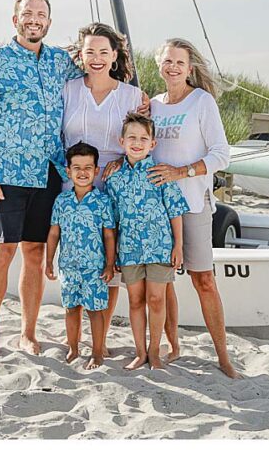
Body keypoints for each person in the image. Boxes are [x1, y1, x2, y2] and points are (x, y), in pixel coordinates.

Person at [0, 0, 82, 358]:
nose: (34, 20)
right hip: (5, 174)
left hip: (48, 171)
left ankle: (28, 333)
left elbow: (100, 66)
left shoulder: (58, 62)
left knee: (34, 253)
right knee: (1, 252)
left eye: (41, 15)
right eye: (27, 14)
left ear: (48, 22)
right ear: (15, 19)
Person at [147, 38, 238, 378]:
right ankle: (173, 347)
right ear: (160, 63)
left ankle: (223, 357)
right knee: (164, 282)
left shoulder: (202, 102)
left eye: (179, 63)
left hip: (192, 201)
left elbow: (221, 155)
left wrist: (181, 172)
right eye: (167, 61)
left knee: (204, 281)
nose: (172, 67)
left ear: (190, 68)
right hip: (156, 207)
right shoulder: (153, 105)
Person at [60, 22, 149, 354]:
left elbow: (141, 142)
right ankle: (74, 339)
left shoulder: (132, 96)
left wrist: (120, 164)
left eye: (103, 52)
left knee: (106, 266)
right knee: (76, 261)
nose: (96, 58)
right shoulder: (67, 89)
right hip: (73, 188)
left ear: (115, 55)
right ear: (81, 55)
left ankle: (101, 336)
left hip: (113, 191)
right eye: (89, 52)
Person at [105, 113, 188, 370]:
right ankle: (139, 352)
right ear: (122, 141)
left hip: (160, 246)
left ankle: (155, 353)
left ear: (153, 144)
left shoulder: (160, 173)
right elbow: (113, 220)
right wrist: (114, 255)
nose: (137, 143)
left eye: (143, 138)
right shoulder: (114, 178)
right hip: (129, 249)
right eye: (132, 138)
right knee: (135, 301)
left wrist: (178, 245)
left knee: (156, 300)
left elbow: (175, 210)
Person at [44, 142, 116, 369]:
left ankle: (97, 352)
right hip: (68, 266)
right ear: (69, 171)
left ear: (96, 171)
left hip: (95, 266)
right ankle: (73, 348)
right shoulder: (61, 201)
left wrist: (109, 264)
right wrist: (49, 261)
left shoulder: (103, 201)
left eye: (88, 167)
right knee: (71, 308)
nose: (82, 172)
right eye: (77, 167)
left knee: (95, 310)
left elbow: (109, 236)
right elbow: (54, 233)